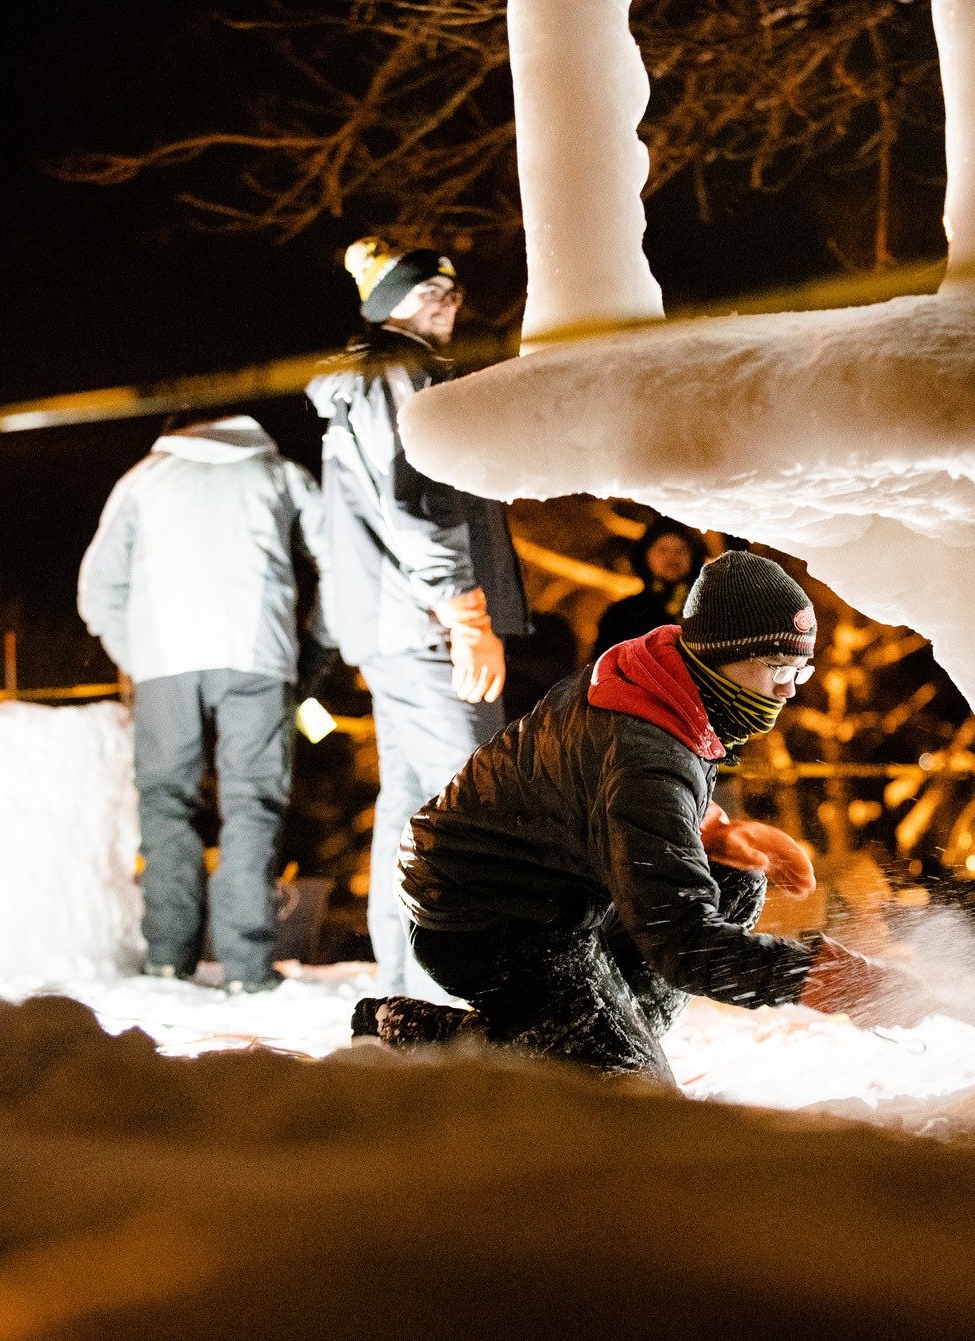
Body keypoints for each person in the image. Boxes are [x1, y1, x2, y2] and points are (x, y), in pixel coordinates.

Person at [354, 551, 932, 1081]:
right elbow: (680, 942)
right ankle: (468, 1040)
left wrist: (712, 831)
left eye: (800, 669)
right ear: (720, 655)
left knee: (731, 883)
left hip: (555, 889)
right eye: (776, 663)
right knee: (629, 1095)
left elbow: (607, 803)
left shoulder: (668, 686)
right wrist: (825, 975)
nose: (788, 687)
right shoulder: (645, 748)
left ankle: (569, 1038)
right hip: (487, 912)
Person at [306, 237, 529, 1000]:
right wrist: (466, 608)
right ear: (387, 305)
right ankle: (469, 987)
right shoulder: (395, 370)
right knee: (475, 798)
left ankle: (411, 982)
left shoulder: (382, 375)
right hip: (427, 623)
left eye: (453, 288)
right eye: (428, 287)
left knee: (415, 808)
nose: (448, 297)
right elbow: (418, 497)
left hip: (397, 625)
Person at [77, 414, 326, 989]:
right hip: (259, 656)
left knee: (166, 805)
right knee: (252, 804)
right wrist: (314, 645)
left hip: (164, 663)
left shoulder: (143, 479)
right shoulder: (280, 474)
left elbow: (96, 588)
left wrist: (140, 654)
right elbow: (336, 565)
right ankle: (246, 966)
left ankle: (168, 957)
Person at [590, 514, 708, 660]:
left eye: (681, 550)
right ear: (645, 556)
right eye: (662, 550)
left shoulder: (708, 611)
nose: (672, 558)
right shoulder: (622, 614)